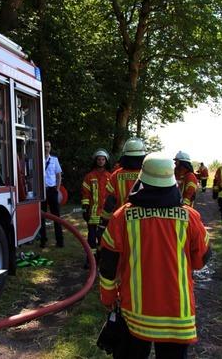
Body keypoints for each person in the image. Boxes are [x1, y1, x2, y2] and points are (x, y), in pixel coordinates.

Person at [98, 154, 211, 359]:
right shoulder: (190, 218)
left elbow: (108, 263)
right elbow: (201, 261)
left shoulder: (122, 216)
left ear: (142, 180)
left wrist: (108, 296)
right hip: (178, 317)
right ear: (172, 182)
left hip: (135, 316)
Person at [103, 138, 147, 220]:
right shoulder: (150, 174)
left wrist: (104, 222)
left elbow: (109, 202)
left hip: (121, 219)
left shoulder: (116, 175)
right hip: (144, 221)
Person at [81, 148, 112, 264]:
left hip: (105, 213)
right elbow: (85, 194)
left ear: (106, 161)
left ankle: (101, 257)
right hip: (92, 213)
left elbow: (113, 195)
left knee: (103, 238)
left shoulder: (110, 176)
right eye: (99, 159)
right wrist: (85, 208)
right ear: (95, 161)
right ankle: (90, 259)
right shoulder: (89, 177)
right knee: (91, 237)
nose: (100, 161)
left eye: (103, 159)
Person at [40, 140, 64, 247]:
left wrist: (57, 189)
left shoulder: (54, 160)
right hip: (41, 191)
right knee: (41, 216)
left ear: (50, 148)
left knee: (57, 217)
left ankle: (60, 241)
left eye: (48, 147)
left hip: (52, 190)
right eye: (45, 146)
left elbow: (58, 176)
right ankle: (43, 240)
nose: (46, 148)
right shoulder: (38, 159)